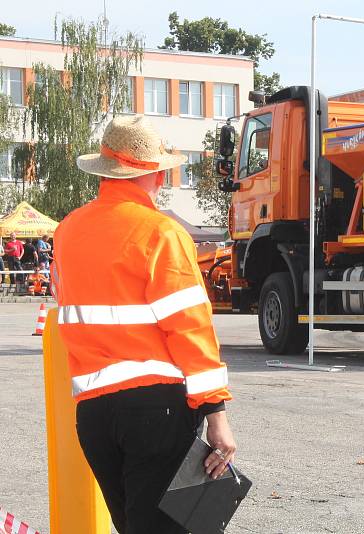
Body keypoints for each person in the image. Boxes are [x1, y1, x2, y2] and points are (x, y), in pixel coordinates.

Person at [51, 116, 236, 534]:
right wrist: (216, 414)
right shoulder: (161, 232)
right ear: (154, 172)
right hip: (157, 410)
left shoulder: (67, 232)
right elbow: (191, 328)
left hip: (95, 414)